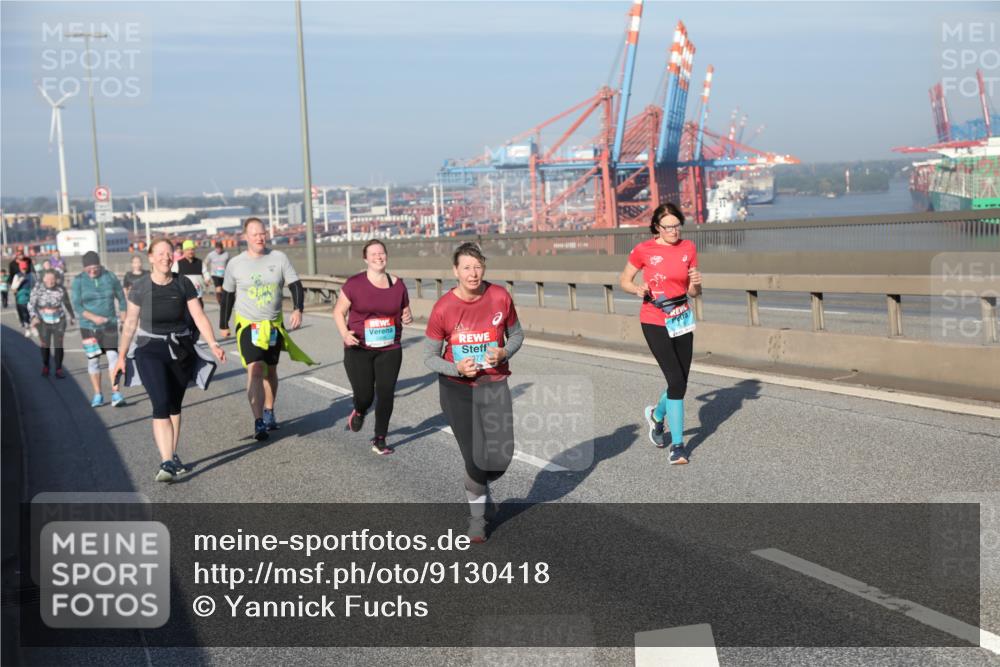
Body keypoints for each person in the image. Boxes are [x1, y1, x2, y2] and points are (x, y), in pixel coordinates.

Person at [424, 243, 524, 543]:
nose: (473, 273)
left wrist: (504, 351)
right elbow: (429, 357)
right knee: (476, 459)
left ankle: (481, 486)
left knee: (501, 457)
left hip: (493, 384)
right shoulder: (444, 307)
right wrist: (457, 368)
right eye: (466, 267)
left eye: (478, 266)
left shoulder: (499, 297)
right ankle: (477, 518)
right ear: (455, 271)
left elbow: (517, 334)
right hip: (458, 390)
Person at [112, 238, 227, 483]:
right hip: (149, 349)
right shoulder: (140, 287)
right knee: (161, 404)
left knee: (174, 405)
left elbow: (198, 316)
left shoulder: (182, 283)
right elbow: (130, 323)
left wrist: (214, 343)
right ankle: (166, 462)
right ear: (151, 258)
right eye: (160, 253)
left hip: (181, 350)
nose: (166, 257)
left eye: (169, 253)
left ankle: (172, 456)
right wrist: (121, 356)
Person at [620, 202, 702, 464]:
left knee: (681, 382)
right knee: (676, 381)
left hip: (681, 318)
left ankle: (656, 415)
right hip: (655, 319)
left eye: (677, 225)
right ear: (657, 227)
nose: (673, 231)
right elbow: (624, 281)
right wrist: (637, 290)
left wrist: (697, 286)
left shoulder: (688, 248)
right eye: (668, 227)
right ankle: (677, 446)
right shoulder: (644, 250)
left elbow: (692, 292)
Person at [219, 218, 314, 440]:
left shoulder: (279, 258)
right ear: (245, 237)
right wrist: (224, 324)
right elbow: (228, 296)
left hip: (272, 326)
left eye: (262, 233)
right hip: (248, 325)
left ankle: (269, 411)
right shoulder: (235, 264)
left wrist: (298, 309)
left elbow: (295, 285)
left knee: (270, 370)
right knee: (255, 369)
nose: (260, 237)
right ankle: (258, 420)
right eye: (254, 234)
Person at [333, 240, 413, 455]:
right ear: (365, 259)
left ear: (386, 256)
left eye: (381, 253)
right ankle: (359, 410)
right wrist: (345, 333)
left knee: (386, 393)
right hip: (358, 347)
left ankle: (380, 438)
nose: (378, 257)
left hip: (390, 347)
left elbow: (405, 310)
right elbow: (339, 312)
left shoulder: (398, 285)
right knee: (365, 396)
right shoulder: (354, 284)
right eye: (373, 254)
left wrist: (407, 315)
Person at [71, 250, 128, 408]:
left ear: (100, 265)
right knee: (94, 360)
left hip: (109, 324)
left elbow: (122, 299)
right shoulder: (78, 281)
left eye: (95, 267)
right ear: (83, 268)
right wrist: (94, 318)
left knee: (113, 357)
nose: (92, 271)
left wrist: (124, 320)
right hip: (88, 327)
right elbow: (77, 305)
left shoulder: (109, 277)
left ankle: (116, 392)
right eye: (88, 268)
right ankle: (98, 394)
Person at [28, 269, 76, 378]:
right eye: (48, 279)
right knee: (45, 345)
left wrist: (72, 316)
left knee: (58, 345)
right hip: (42, 320)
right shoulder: (37, 289)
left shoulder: (61, 289)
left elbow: (67, 303)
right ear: (44, 279)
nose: (50, 281)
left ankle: (58, 369)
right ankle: (46, 365)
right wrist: (34, 317)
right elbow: (31, 305)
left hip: (59, 319)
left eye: (53, 279)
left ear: (56, 279)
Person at [173, 240, 206, 305]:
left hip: (198, 294)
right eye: (188, 250)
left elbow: (205, 272)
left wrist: (207, 278)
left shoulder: (200, 262)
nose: (191, 252)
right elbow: (173, 276)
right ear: (184, 251)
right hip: (184, 296)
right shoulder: (178, 263)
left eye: (192, 249)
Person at [11, 259, 35, 334]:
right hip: (21, 297)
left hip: (31, 296)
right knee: (24, 313)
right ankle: (27, 328)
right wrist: (19, 281)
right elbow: (13, 287)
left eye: (25, 268)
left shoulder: (31, 275)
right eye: (22, 268)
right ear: (20, 268)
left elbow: (35, 285)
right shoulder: (17, 275)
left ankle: (33, 327)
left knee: (32, 313)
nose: (24, 269)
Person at [203, 241, 230, 307]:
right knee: (218, 288)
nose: (218, 250)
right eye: (217, 248)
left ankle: (224, 300)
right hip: (215, 274)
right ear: (215, 248)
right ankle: (221, 303)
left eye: (220, 248)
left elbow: (230, 263)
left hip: (224, 274)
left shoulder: (226, 254)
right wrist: (205, 272)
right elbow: (205, 262)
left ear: (222, 248)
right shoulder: (211, 254)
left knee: (224, 289)